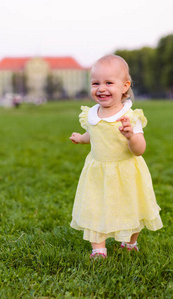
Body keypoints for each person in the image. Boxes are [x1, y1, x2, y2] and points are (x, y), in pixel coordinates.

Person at [69, 55, 163, 259]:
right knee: (95, 207)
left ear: (124, 86)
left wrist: (131, 136)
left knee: (132, 206)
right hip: (98, 172)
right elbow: (93, 134)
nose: (101, 88)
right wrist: (81, 137)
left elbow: (139, 149)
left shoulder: (130, 117)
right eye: (96, 83)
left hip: (126, 171)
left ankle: (130, 243)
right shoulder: (92, 114)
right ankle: (98, 249)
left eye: (109, 83)